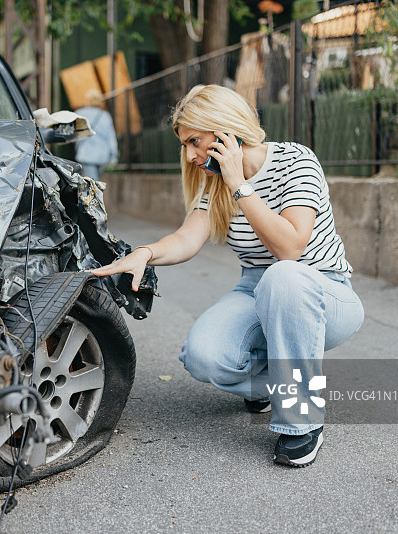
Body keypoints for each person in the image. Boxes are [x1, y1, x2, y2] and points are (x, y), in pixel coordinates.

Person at [89, 84, 364, 467]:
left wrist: (240, 184)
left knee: (283, 276)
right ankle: (294, 379)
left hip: (320, 287)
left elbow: (290, 249)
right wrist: (145, 253)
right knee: (203, 357)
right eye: (184, 144)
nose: (189, 155)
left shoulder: (296, 161)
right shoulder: (213, 184)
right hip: (256, 288)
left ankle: (301, 420)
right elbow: (188, 238)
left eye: (194, 141)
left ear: (224, 129)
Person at [75, 88, 119, 181]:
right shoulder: (106, 116)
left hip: (86, 154)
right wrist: (113, 157)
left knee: (93, 184)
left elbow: (75, 136)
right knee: (95, 182)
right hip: (103, 156)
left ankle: (95, 195)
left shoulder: (80, 114)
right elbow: (111, 138)